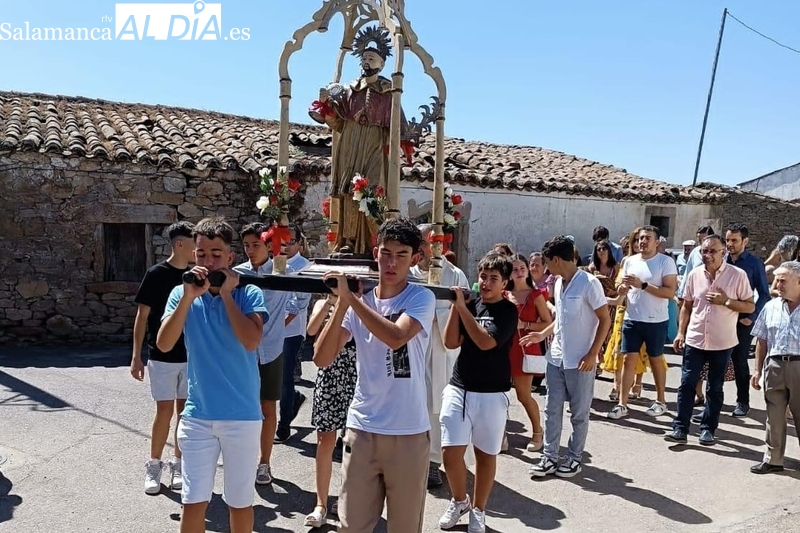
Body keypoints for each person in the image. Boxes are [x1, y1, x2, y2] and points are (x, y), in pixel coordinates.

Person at [313, 217, 436, 533]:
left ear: (415, 258)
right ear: (375, 253)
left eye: (401, 255)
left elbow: (397, 336)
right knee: (351, 526)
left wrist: (352, 300)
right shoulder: (358, 302)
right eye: (386, 253)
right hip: (363, 427)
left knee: (404, 527)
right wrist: (341, 304)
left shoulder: (421, 298)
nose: (391, 263)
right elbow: (322, 358)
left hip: (408, 431)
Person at [157, 217, 267, 533]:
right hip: (198, 417)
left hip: (242, 417)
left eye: (216, 254)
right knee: (193, 501)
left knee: (239, 502)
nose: (208, 261)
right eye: (202, 254)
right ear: (193, 255)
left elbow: (251, 340)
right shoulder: (182, 294)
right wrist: (189, 297)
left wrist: (228, 296)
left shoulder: (249, 293)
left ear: (230, 257)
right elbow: (164, 344)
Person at [436, 252, 517, 533]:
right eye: (483, 276)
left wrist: (463, 310)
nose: (486, 283)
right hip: (459, 387)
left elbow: (485, 343)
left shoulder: (508, 311)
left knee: (485, 455)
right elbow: (450, 342)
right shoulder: (470, 304)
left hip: (492, 394)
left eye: (493, 278)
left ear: (504, 283)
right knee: (450, 452)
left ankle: (479, 509)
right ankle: (460, 501)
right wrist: (457, 308)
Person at [311, 26, 409, 255]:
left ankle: (374, 241)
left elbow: (398, 127)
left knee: (372, 189)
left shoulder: (389, 92)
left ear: (382, 64)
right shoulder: (348, 91)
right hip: (350, 143)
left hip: (374, 144)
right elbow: (338, 123)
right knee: (348, 190)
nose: (366, 62)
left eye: (371, 58)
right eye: (364, 58)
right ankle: (348, 240)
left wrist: (403, 140)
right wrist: (326, 106)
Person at [529, 235, 610, 478]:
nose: (545, 268)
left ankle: (574, 458)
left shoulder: (589, 283)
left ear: (556, 259)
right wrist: (542, 334)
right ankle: (550, 456)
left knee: (579, 413)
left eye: (546, 262)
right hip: (556, 358)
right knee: (551, 409)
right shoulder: (557, 283)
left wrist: (593, 353)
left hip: (581, 360)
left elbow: (605, 319)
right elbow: (560, 320)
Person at [667, 235, 754, 445]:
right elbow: (687, 306)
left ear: (723, 252)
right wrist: (680, 333)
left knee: (714, 387)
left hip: (722, 341)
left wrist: (727, 301)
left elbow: (750, 306)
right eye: (704, 251)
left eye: (712, 251)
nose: (707, 255)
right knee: (687, 383)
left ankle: (708, 429)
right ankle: (680, 428)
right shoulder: (695, 274)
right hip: (695, 338)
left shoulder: (737, 275)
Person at [131, 221, 195, 494]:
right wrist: (136, 356)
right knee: (164, 411)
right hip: (162, 356)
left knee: (185, 412)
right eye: (194, 243)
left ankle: (178, 464)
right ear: (180, 244)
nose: (198, 249)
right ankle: (154, 465)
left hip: (190, 356)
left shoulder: (196, 276)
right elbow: (142, 316)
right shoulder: (156, 274)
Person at [233, 223, 295, 485]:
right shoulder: (237, 274)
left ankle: (264, 462)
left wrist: (280, 324)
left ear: (268, 245)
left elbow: (299, 300)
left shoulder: (282, 271)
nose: (250, 250)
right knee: (241, 407)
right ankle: (241, 459)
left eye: (255, 245)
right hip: (242, 350)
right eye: (246, 245)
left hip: (271, 349)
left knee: (268, 406)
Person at [409, 224, 470, 488]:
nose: (423, 249)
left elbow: (465, 314)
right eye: (420, 244)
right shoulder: (408, 273)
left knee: (436, 406)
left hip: (441, 353)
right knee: (411, 402)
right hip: (412, 349)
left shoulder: (454, 275)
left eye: (426, 243)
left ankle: (433, 461)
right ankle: (411, 458)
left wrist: (436, 314)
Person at [608, 225, 677, 420]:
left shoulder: (665, 262)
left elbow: (669, 292)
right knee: (628, 359)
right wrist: (621, 288)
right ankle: (622, 404)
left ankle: (661, 401)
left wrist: (643, 285)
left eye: (647, 238)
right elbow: (620, 284)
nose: (642, 242)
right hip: (632, 318)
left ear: (657, 242)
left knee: (656, 360)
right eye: (640, 238)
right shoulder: (629, 260)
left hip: (656, 320)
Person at [303, 294, 358, 528]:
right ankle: (321, 504)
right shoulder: (323, 304)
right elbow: (311, 330)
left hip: (356, 371)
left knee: (354, 443)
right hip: (329, 372)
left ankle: (345, 497)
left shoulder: (360, 304)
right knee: (325, 440)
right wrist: (329, 303)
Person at [750, 261, 800, 474]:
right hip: (775, 366)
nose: (777, 285)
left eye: (783, 280)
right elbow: (761, 340)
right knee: (774, 415)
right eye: (777, 280)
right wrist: (757, 370)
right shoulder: (771, 307)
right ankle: (773, 460)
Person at [504, 254, 552, 452]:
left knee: (523, 395)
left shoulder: (535, 294)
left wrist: (525, 325)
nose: (519, 272)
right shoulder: (504, 294)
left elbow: (548, 322)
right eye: (514, 269)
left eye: (522, 268)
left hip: (525, 348)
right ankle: (500, 434)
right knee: (499, 395)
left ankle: (538, 432)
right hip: (503, 348)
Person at [725, 223, 770, 417]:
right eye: (727, 240)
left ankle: (742, 402)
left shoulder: (754, 263)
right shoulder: (722, 260)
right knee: (715, 361)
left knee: (739, 361)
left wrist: (752, 317)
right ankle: (712, 402)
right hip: (721, 319)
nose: (730, 244)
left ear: (745, 241)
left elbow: (764, 294)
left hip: (743, 320)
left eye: (734, 240)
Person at [277, 224, 312, 442]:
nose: (286, 246)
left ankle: (283, 425)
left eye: (291, 242)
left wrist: (281, 324)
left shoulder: (304, 266)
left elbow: (300, 302)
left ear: (299, 243)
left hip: (291, 330)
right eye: (282, 242)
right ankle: (295, 398)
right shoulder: (274, 262)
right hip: (271, 328)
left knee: (285, 376)